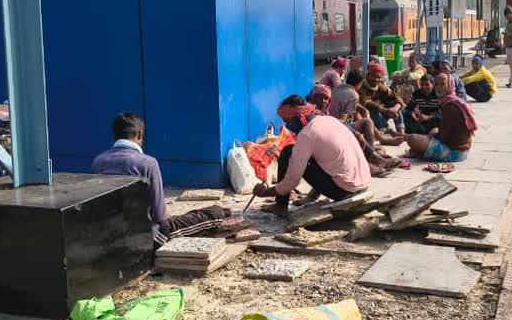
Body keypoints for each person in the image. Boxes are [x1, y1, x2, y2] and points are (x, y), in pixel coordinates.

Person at [92, 112, 227, 245]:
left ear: (115, 135)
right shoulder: (148, 163)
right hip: (147, 237)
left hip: (110, 235)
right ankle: (223, 215)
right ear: (139, 135)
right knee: (214, 213)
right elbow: (159, 216)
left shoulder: (98, 161)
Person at [250, 96, 371, 210]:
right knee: (316, 156)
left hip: (344, 191)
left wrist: (264, 192)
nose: (287, 126)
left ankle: (280, 206)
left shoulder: (306, 135)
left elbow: (291, 182)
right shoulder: (329, 119)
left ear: (297, 117)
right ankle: (312, 196)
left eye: (288, 121)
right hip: (364, 184)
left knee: (288, 152)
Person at [404, 73, 476, 163]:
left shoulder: (450, 107)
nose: (438, 87)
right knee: (428, 131)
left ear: (450, 85)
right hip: (462, 151)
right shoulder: (453, 101)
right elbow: (408, 109)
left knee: (412, 139)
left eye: (442, 84)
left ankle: (419, 152)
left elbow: (443, 138)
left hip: (455, 153)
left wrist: (430, 137)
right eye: (437, 84)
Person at [358, 62, 403, 132]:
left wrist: (395, 108)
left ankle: (400, 129)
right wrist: (385, 110)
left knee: (394, 103)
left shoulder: (380, 87)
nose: (376, 79)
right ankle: (386, 129)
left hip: (382, 114)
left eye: (378, 77)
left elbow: (396, 97)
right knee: (372, 109)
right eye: (373, 76)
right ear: (368, 75)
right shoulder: (361, 86)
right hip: (367, 117)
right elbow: (367, 103)